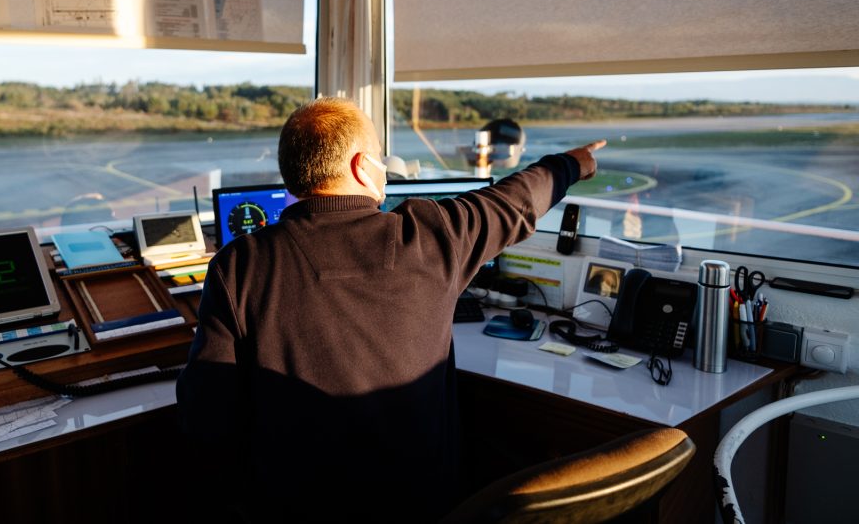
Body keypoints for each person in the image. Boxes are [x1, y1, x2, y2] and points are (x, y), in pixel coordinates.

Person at [176, 97, 605, 523]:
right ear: (362, 166)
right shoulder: (434, 237)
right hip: (424, 505)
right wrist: (573, 163)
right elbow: (516, 200)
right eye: (381, 158)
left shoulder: (239, 265)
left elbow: (207, 414)